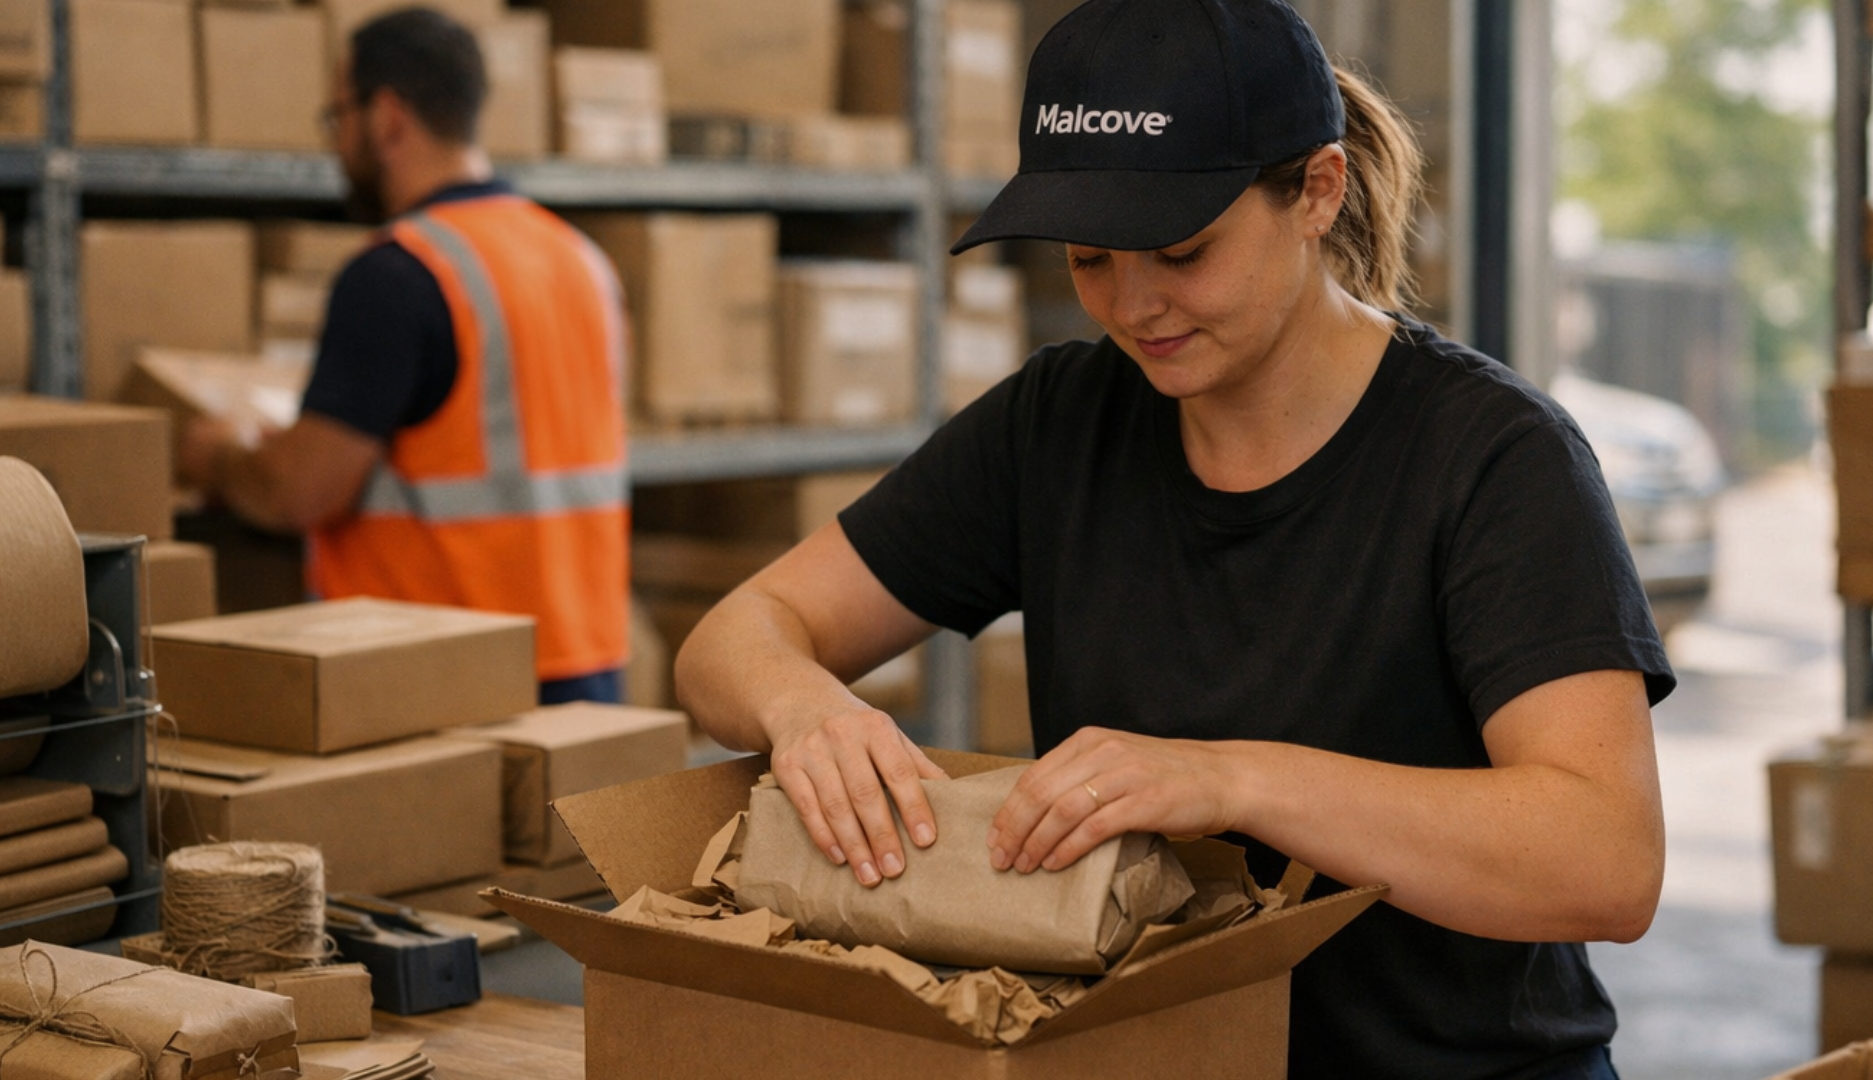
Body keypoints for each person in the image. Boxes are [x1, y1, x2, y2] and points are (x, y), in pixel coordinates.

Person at [674, 0, 1671, 1076]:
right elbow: (732, 638)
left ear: (1318, 191)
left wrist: (1234, 782)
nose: (1134, 305)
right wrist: (804, 707)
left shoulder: (1496, 459)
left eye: (1182, 252)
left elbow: (1605, 863)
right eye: (1090, 259)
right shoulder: (1058, 423)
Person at [178, 7, 631, 705]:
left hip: (447, 685)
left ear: (387, 117)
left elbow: (299, 491)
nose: (337, 143)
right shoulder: (579, 258)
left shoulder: (397, 274)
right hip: (585, 670)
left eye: (337, 117)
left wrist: (219, 457)